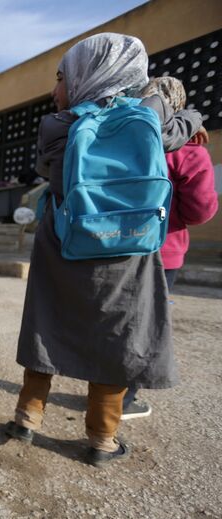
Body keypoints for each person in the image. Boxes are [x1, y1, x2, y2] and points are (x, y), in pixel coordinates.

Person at [4, 33, 204, 467]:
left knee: (46, 322)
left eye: (61, 78)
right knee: (118, 335)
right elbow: (177, 129)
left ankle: (27, 417)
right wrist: (192, 115)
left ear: (84, 76)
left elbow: (43, 166)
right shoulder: (150, 115)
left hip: (65, 241)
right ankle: (101, 440)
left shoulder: (57, 124)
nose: (55, 89)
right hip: (127, 248)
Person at [119, 76, 219, 420]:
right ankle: (122, 399)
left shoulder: (121, 139)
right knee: (145, 325)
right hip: (164, 251)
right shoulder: (189, 152)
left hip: (115, 244)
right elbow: (200, 211)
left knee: (116, 319)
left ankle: (101, 390)